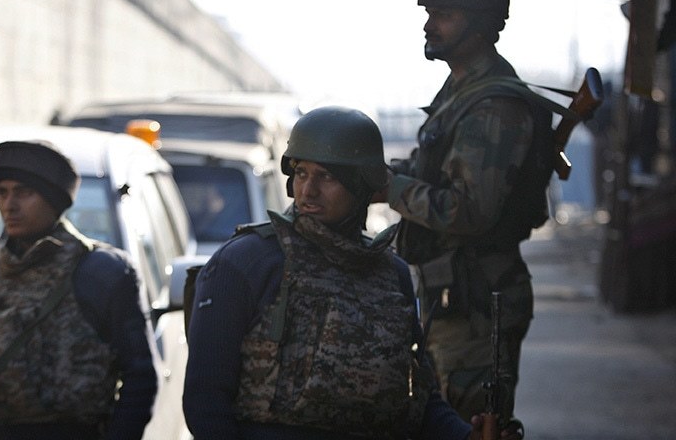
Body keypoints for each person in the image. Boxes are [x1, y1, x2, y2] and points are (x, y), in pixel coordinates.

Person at [183, 106, 521, 440]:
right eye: (301, 173)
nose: (308, 191)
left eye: (326, 176)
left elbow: (419, 401)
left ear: (363, 186)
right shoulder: (247, 263)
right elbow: (206, 403)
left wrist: (466, 436)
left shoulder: (393, 274)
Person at [378, 0, 549, 433]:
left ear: (481, 24)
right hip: (452, 296)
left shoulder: (493, 105)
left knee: (469, 426)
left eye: (445, 15)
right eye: (430, 13)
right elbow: (431, 171)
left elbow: (469, 212)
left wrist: (387, 189)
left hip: (476, 305)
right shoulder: (461, 91)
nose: (429, 25)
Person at [0, 140, 158, 439]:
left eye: (23, 193)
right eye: (2, 192)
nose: (9, 205)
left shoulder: (102, 271)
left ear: (53, 200)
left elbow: (140, 376)